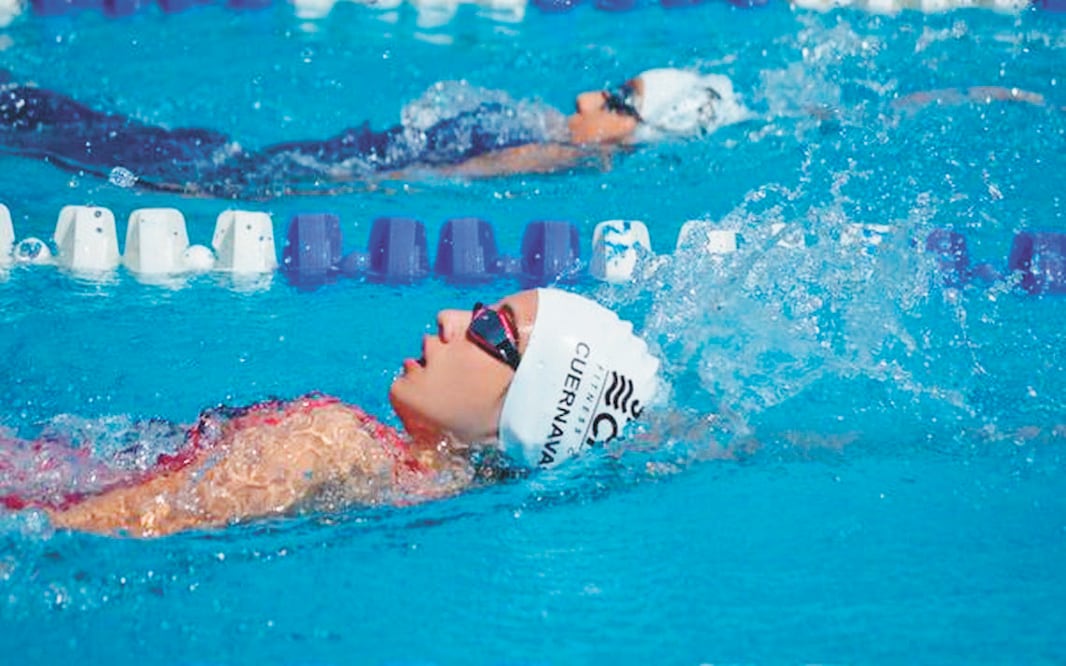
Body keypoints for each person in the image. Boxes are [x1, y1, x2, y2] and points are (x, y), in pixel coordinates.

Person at [0, 288, 661, 537]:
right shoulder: (405, 493)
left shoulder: (333, 445)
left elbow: (105, 522)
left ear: (530, 410)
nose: (454, 316)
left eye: (493, 328)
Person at [0, 68, 747, 199]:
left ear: (634, 131)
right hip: (325, 155)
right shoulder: (560, 131)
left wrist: (355, 183)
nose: (590, 92)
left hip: (322, 169)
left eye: (617, 97)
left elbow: (450, 176)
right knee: (95, 133)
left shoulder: (568, 150)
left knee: (95, 144)